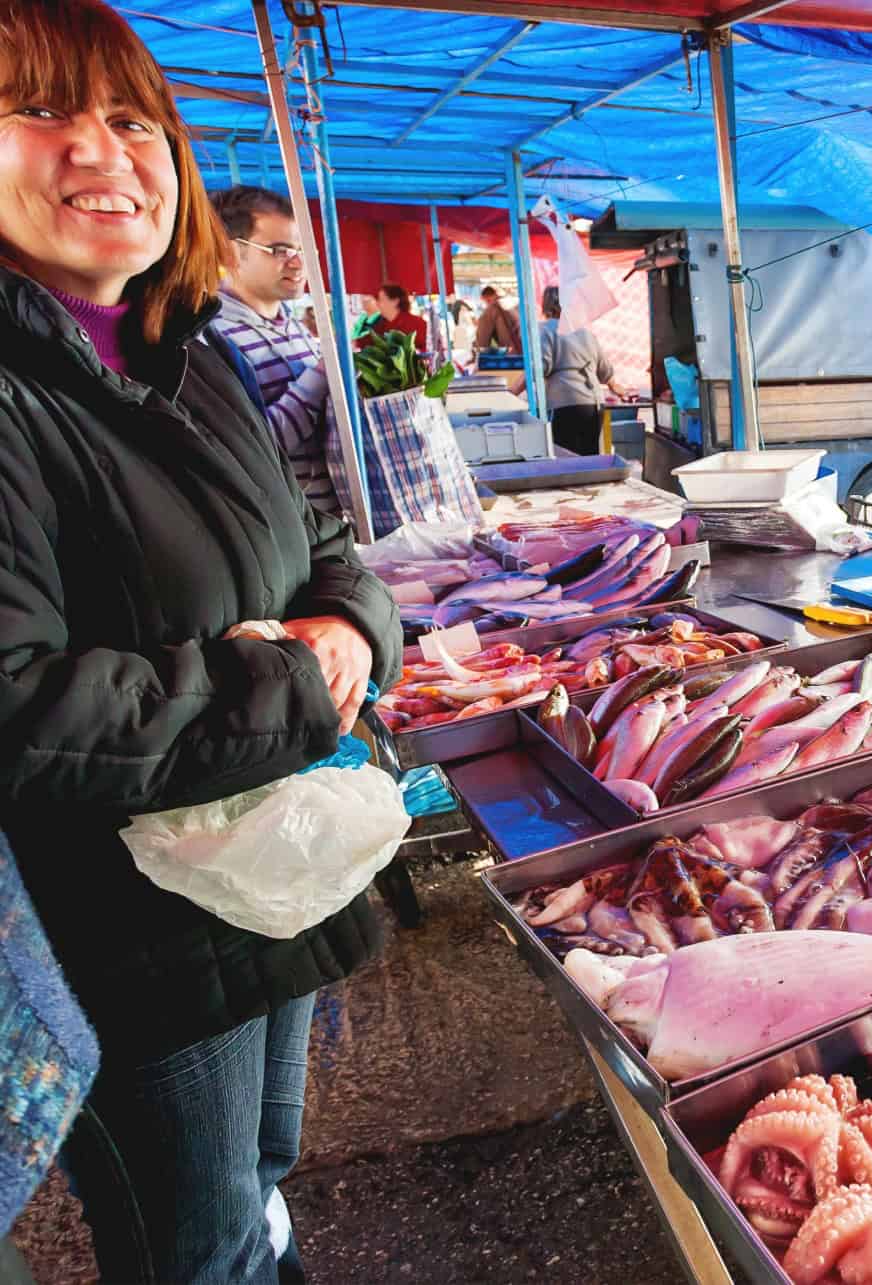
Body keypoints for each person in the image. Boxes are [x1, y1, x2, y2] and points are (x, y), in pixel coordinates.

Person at [0, 4, 402, 1282]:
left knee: (262, 1181)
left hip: (260, 879)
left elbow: (317, 544)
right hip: (126, 929)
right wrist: (291, 683)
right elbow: (18, 707)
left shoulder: (195, 348)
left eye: (131, 119)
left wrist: (352, 624)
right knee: (195, 1240)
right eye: (38, 110)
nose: (99, 152)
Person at [209, 185, 341, 514]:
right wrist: (320, 377)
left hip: (332, 527)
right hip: (288, 536)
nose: (299, 264)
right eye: (280, 250)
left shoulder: (297, 330)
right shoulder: (210, 340)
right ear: (230, 253)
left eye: (301, 249)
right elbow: (247, 451)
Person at [539, 284, 616, 456]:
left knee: (567, 459)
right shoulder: (585, 332)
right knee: (590, 457)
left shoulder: (545, 329)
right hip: (594, 403)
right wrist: (617, 387)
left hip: (565, 402)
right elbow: (605, 372)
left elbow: (543, 367)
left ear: (545, 304)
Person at [365, 280, 427, 353]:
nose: (378, 304)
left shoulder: (417, 324)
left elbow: (425, 350)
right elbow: (365, 342)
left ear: (395, 301)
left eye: (381, 300)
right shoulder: (379, 325)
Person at [472, 282, 520, 354]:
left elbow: (482, 342)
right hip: (532, 356)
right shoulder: (517, 302)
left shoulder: (492, 310)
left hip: (513, 357)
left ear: (486, 299)